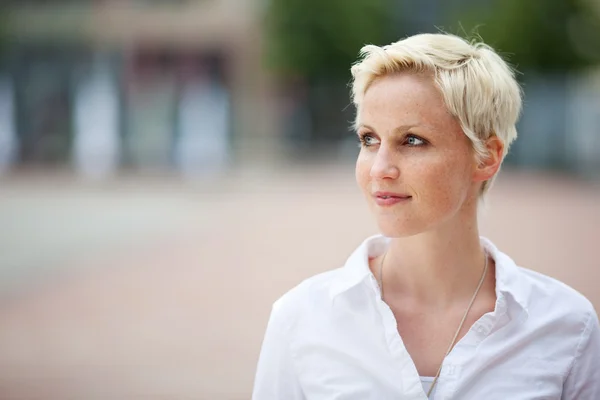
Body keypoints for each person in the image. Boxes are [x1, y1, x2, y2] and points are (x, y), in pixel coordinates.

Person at [252, 33, 600, 399]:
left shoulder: (566, 327)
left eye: (412, 140)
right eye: (369, 139)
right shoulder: (301, 319)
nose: (379, 169)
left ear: (486, 156)